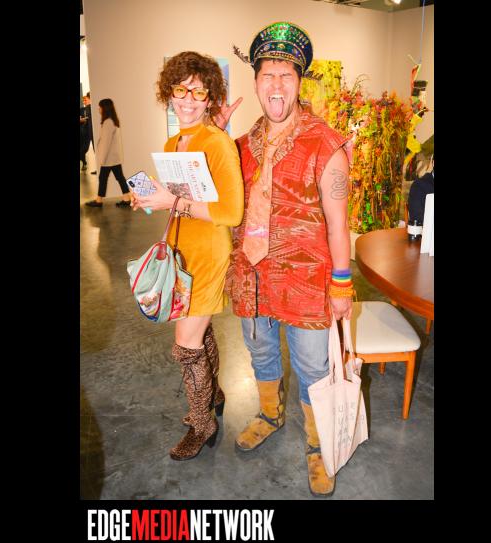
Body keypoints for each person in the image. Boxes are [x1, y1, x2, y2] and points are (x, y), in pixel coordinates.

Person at [215, 22, 353, 497]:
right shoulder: (238, 147)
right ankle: (270, 414)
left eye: (286, 76)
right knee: (261, 352)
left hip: (307, 282)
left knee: (313, 366)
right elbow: (213, 196)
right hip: (252, 277)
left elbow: (339, 225)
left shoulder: (326, 144)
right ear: (255, 82)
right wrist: (212, 137)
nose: (276, 85)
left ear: (299, 82)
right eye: (267, 75)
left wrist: (341, 284)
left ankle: (318, 444)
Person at [131, 51, 244, 460]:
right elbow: (180, 198)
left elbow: (231, 213)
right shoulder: (174, 142)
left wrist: (173, 202)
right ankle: (212, 394)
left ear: (210, 96)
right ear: (169, 93)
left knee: (186, 344)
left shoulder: (218, 143)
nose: (188, 100)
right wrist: (150, 199)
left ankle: (202, 424)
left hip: (209, 254)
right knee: (199, 332)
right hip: (181, 250)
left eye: (199, 92)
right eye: (181, 90)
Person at [85, 98, 132, 208]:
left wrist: (102, 159)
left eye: (100, 107)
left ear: (105, 108)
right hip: (113, 157)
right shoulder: (112, 121)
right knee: (119, 177)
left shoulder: (108, 122)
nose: (99, 109)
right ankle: (126, 198)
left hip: (109, 158)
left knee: (103, 178)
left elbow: (106, 142)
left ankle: (99, 201)